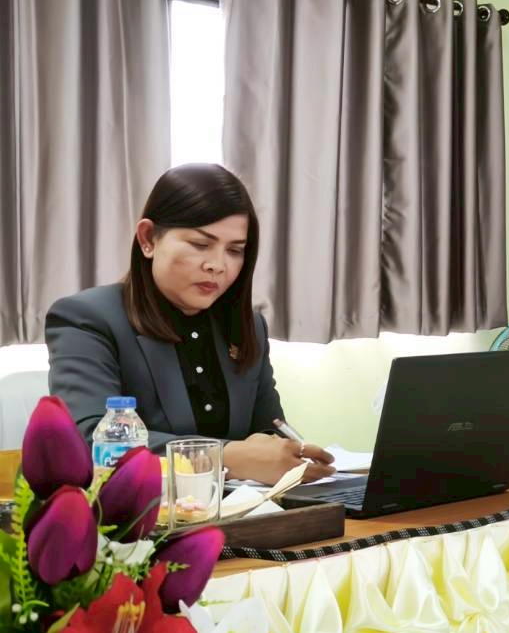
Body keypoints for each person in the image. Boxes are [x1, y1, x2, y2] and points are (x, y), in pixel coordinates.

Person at [45, 164, 335, 483]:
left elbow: (267, 432)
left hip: (244, 507)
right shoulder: (86, 318)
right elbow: (89, 441)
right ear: (148, 239)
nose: (217, 265)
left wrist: (286, 455)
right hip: (141, 510)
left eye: (235, 250)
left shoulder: (249, 326)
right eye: (200, 244)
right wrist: (226, 457)